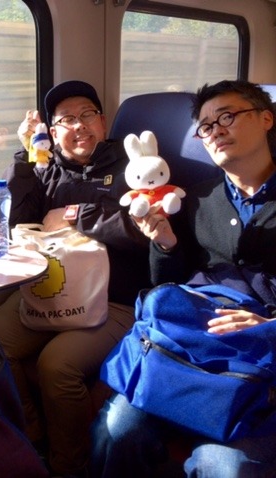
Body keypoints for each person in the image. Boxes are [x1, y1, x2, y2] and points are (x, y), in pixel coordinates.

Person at [90, 80, 276, 477]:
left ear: (266, 118)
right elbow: (169, 285)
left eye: (227, 116)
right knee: (117, 429)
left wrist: (268, 326)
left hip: (259, 361)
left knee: (224, 465)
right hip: (188, 346)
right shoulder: (199, 198)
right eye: (205, 126)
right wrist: (165, 243)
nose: (215, 131)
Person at [0, 81, 150, 477]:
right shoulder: (47, 170)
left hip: (113, 297)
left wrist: (75, 215)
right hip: (50, 288)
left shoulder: (133, 164)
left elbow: (143, 230)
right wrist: (25, 156)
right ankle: (33, 439)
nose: (79, 125)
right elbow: (14, 221)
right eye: (67, 119)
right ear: (52, 132)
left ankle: (71, 466)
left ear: (103, 122)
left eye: (87, 115)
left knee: (56, 366)